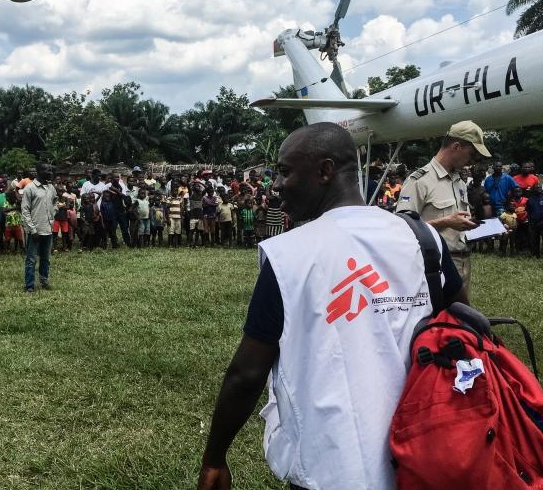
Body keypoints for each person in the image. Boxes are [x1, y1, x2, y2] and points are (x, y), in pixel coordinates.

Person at [197, 123, 466, 490]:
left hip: (333, 465)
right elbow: (464, 326)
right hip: (427, 457)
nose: (276, 185)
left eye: (285, 171)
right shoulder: (422, 239)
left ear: (324, 171)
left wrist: (214, 458)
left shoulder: (288, 256)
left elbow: (247, 374)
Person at [397, 120, 490, 295]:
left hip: (463, 261)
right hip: (435, 266)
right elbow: (403, 230)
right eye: (471, 154)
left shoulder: (458, 181)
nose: (471, 162)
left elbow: (460, 224)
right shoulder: (420, 181)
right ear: (456, 147)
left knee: (459, 318)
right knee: (439, 319)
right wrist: (446, 222)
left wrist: (485, 229)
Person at [21, 163, 57, 293]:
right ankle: (29, 286)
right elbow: (25, 211)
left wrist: (52, 217)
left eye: (50, 169)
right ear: (39, 171)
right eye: (47, 170)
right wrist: (32, 229)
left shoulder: (51, 187)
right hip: (35, 231)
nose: (50, 171)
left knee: (45, 258)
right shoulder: (30, 188)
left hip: (48, 229)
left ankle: (44, 281)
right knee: (31, 259)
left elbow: (55, 202)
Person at [526, 184, 543, 258]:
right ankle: (536, 254)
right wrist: (530, 223)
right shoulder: (530, 199)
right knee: (534, 239)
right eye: (537, 188)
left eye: (540, 188)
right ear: (533, 189)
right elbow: (529, 212)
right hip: (534, 223)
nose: (539, 189)